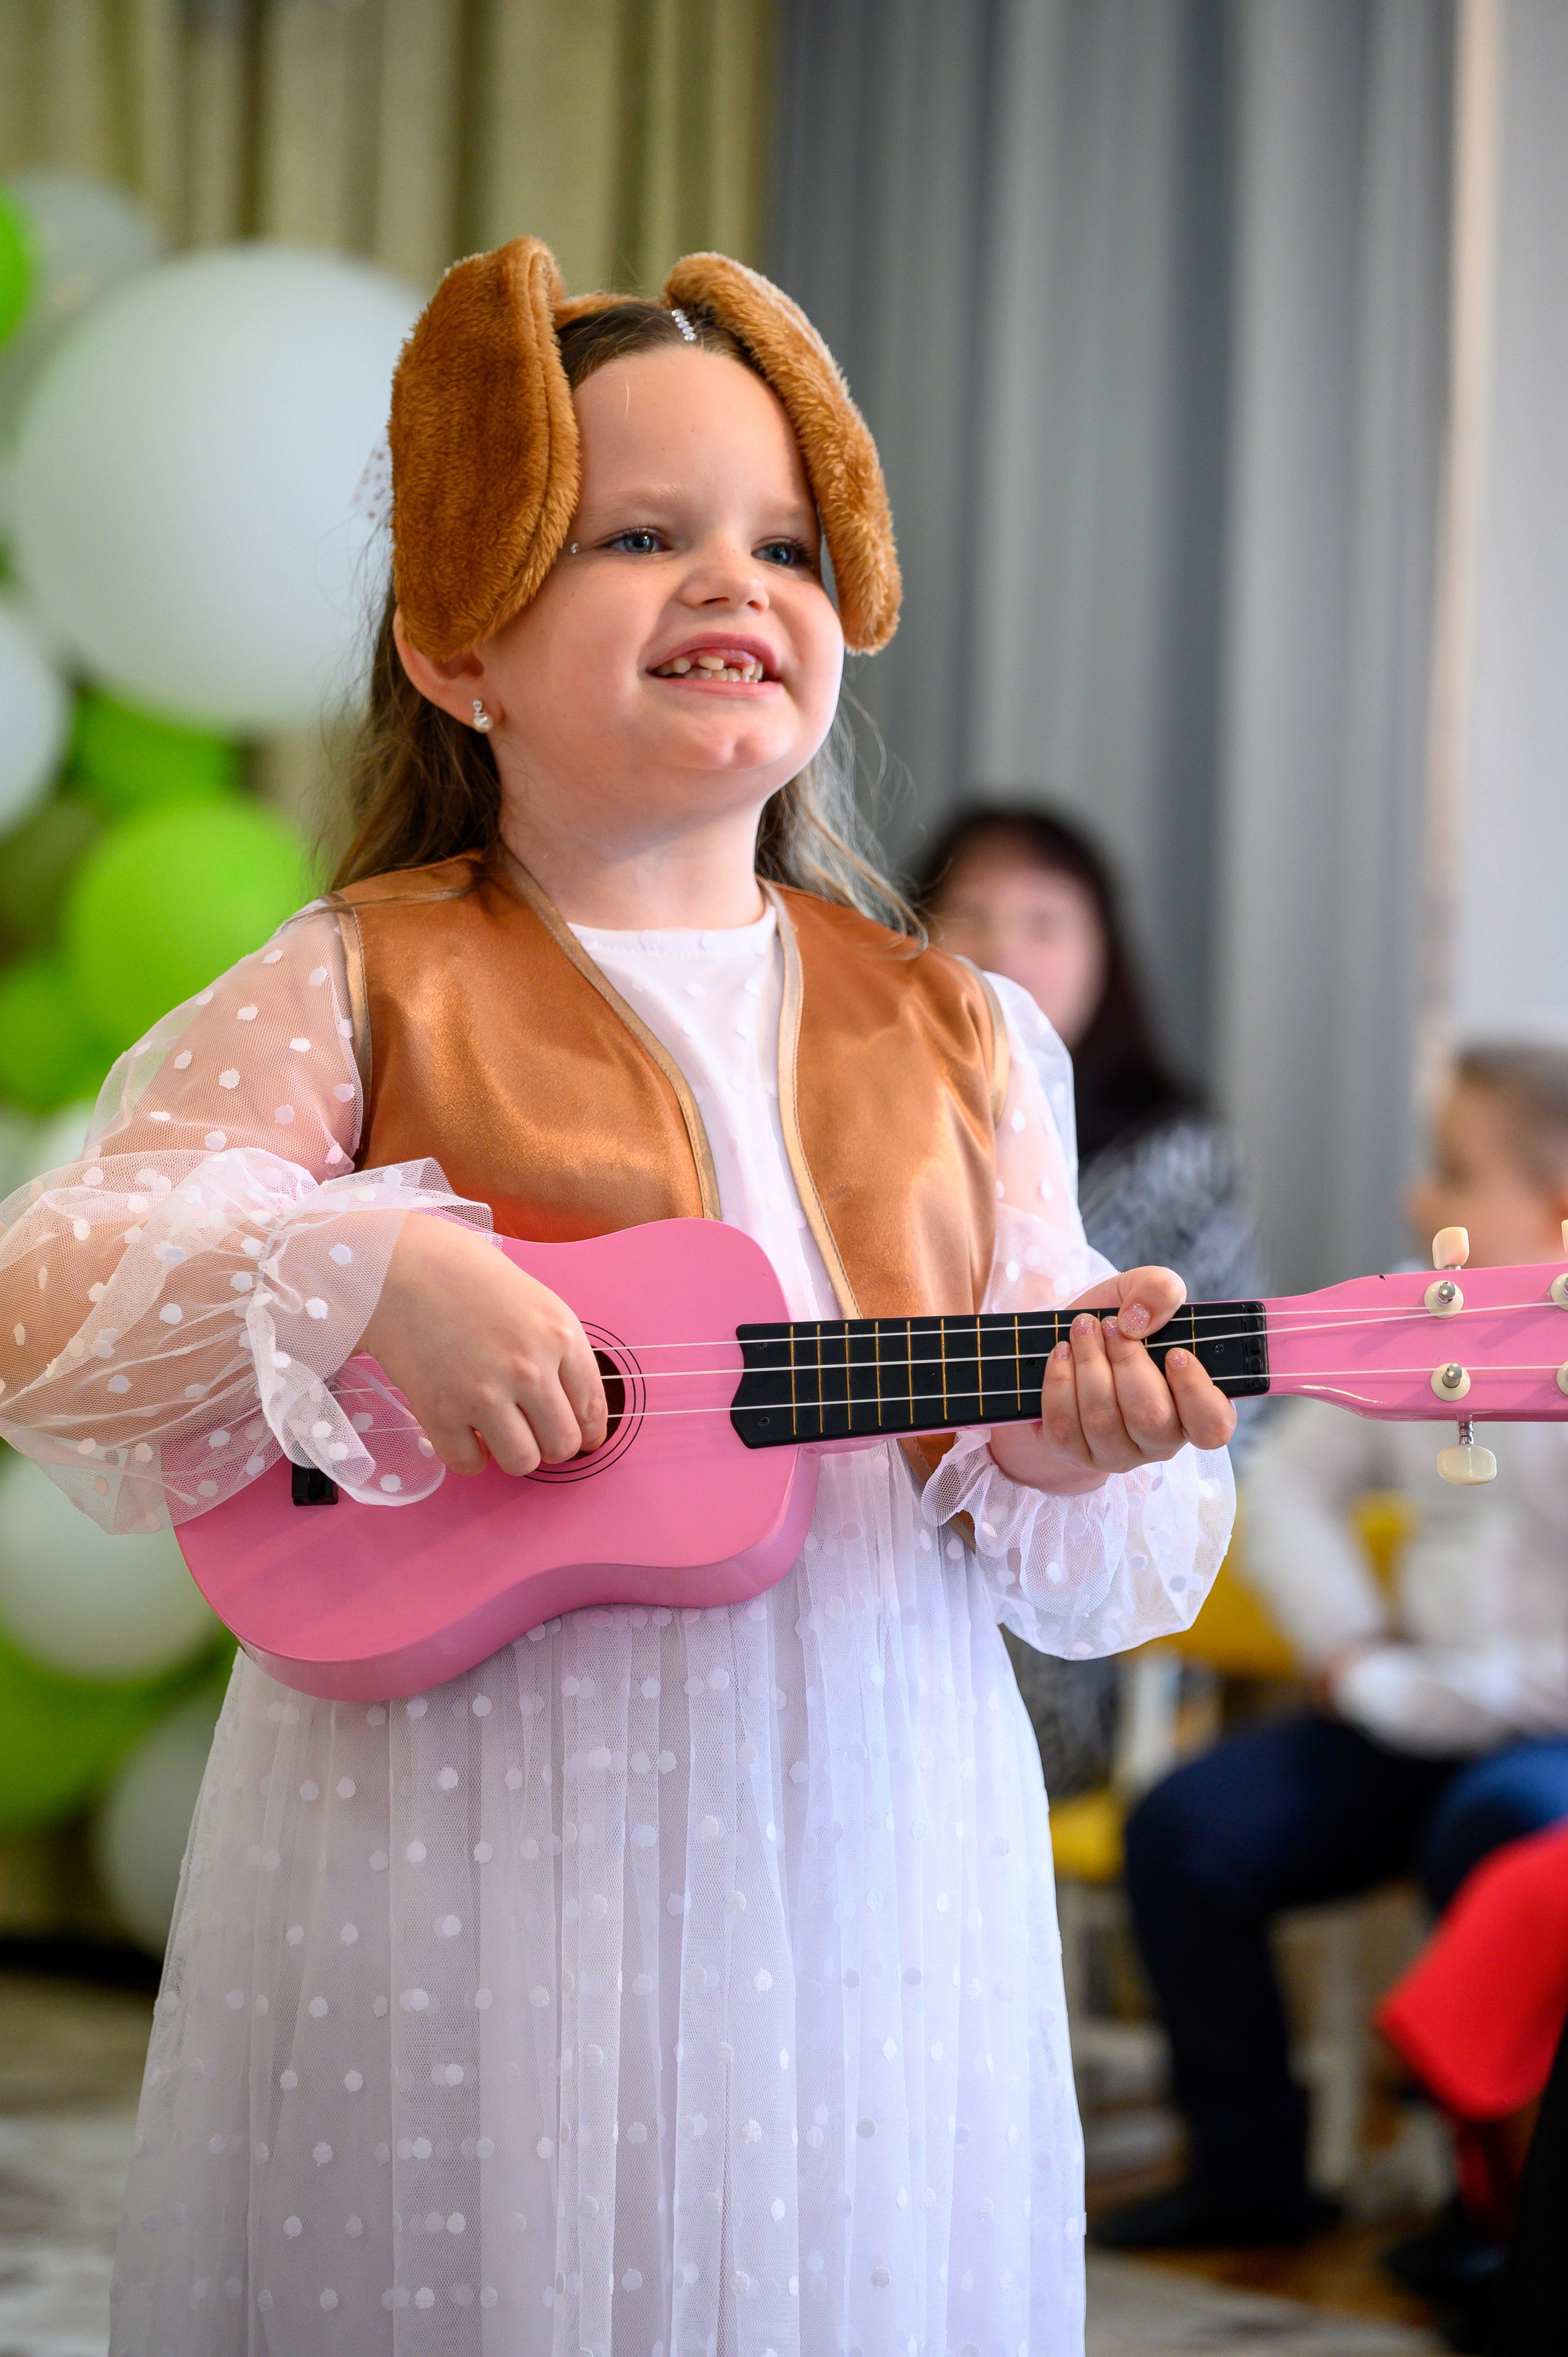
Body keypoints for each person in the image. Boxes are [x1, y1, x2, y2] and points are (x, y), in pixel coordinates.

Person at [0, 242, 1237, 2355]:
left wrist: (1068, 1444)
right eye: (641, 535)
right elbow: (48, 1290)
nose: (730, 579)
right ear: (459, 645)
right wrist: (369, 1266)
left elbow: (1056, 1482)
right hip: (473, 1844)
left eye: (782, 543)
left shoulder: (963, 1034)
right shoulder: (361, 975)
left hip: (861, 1844)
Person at [1096, 1043, 1568, 2252]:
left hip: (1543, 1728)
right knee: (1184, 1831)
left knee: (1499, 1827)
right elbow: (1285, 1487)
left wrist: (1445, 1696)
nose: (1417, 1200)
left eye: (1454, 1172)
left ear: (1555, 1205)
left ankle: (1491, 2214)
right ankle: (1250, 2174)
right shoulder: (1416, 1319)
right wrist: (1350, 1649)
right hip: (1405, 1703)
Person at [922, 807, 1265, 1793]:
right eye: (971, 915)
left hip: (1090, 1595)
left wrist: (1112, 1462)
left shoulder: (1177, 1148)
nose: (1003, 951)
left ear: (1103, 954)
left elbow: (1241, 1408)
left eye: (1045, 922)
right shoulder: (871, 1126)